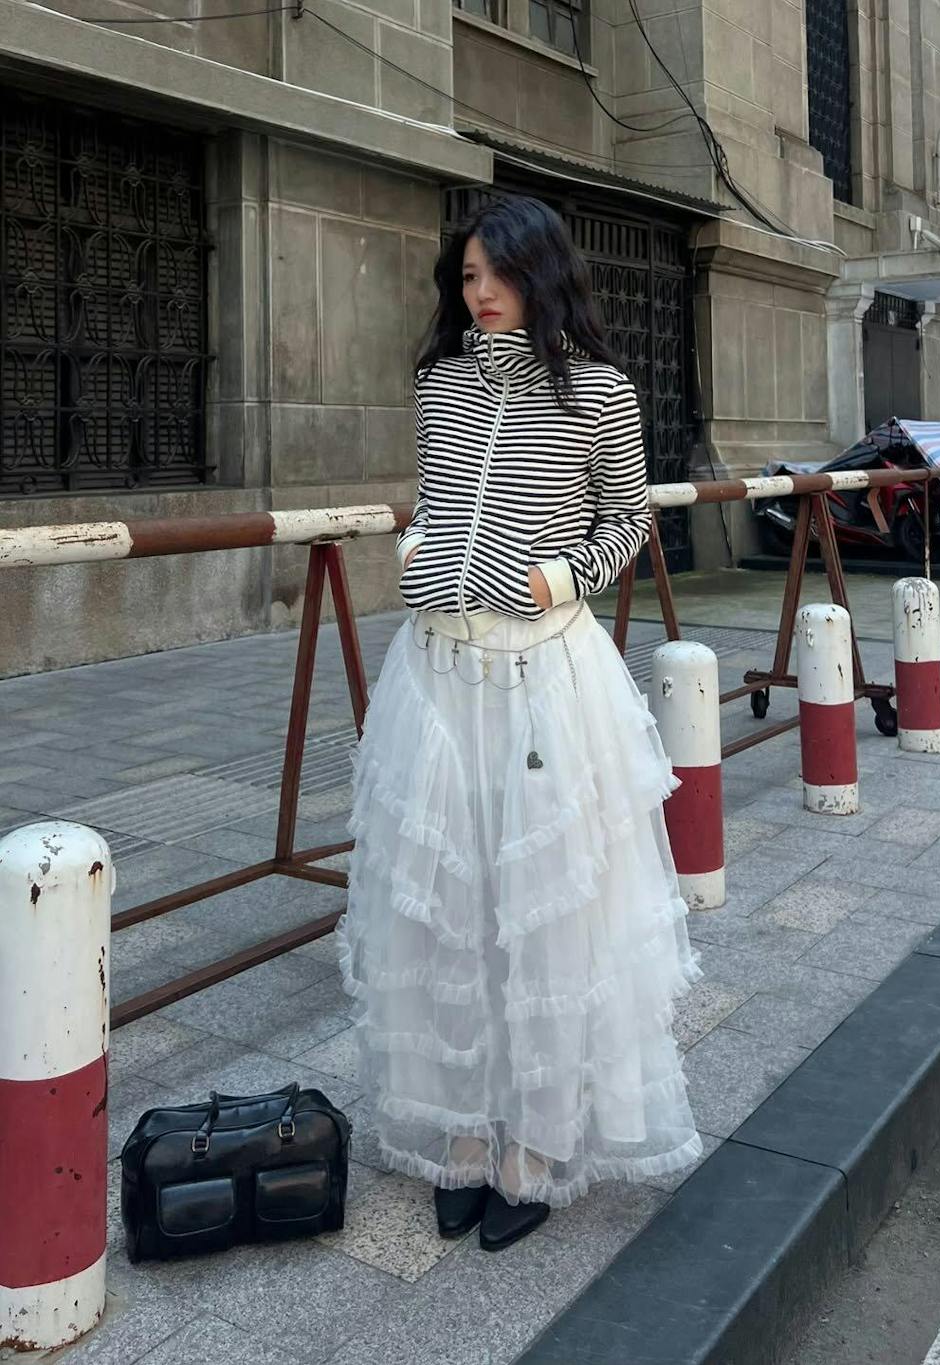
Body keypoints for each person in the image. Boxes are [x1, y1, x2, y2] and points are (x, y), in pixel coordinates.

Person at [336, 193, 703, 1254]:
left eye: (497, 274)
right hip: (436, 673)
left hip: (545, 676)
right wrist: (418, 551)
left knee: (544, 911)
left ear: (542, 276)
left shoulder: (599, 392)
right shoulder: (441, 383)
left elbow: (627, 519)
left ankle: (534, 1146)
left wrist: (558, 578)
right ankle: (461, 1131)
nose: (481, 293)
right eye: (466, 277)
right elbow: (437, 498)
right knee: (445, 904)